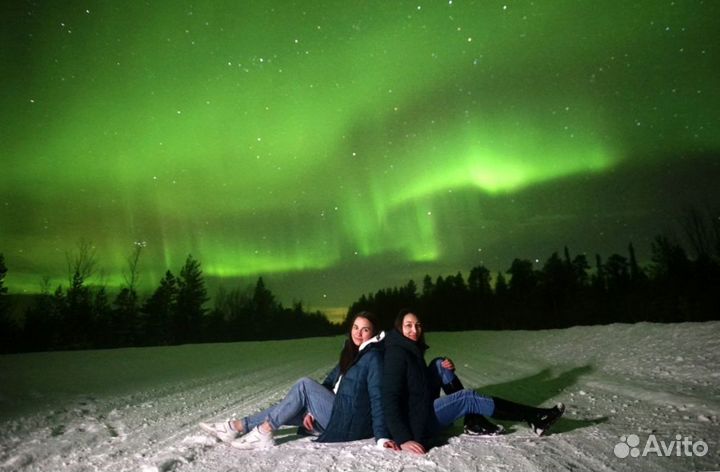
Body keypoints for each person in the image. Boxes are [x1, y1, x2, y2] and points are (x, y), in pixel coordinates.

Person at [200, 311, 398, 450]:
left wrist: (381, 437)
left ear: (374, 332)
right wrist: (312, 409)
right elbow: (328, 384)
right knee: (287, 407)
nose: (358, 333)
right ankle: (235, 427)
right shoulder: (352, 353)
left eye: (365, 329)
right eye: (356, 327)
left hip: (348, 420)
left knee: (304, 385)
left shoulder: (374, 357)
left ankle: (264, 431)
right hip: (335, 412)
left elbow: (378, 398)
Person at [383, 309, 565, 454]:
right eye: (408, 325)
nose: (414, 330)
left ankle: (473, 421)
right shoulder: (396, 354)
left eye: (418, 325)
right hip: (417, 423)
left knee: (439, 364)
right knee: (467, 398)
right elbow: (389, 398)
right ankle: (533, 417)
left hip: (420, 407)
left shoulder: (409, 348)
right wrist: (404, 438)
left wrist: (442, 368)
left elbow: (417, 382)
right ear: (399, 328)